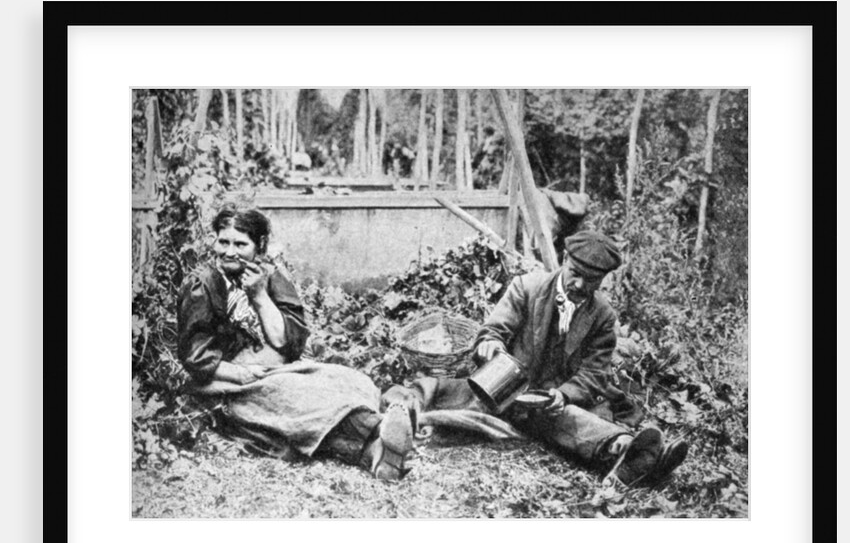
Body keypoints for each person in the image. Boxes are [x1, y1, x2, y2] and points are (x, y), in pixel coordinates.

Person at [384, 231, 689, 488]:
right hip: (504, 392)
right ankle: (634, 455)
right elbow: (492, 331)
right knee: (439, 389)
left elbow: (595, 372)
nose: (580, 285)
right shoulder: (525, 289)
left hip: (552, 401)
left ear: (603, 280)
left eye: (591, 280)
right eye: (576, 274)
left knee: (566, 417)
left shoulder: (603, 317)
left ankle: (625, 451)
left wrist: (563, 393)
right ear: (564, 261)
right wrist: (491, 347)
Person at [177, 204, 414, 480]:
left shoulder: (269, 276)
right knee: (298, 401)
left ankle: (377, 454)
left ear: (259, 246)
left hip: (276, 368)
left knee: (343, 378)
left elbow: (288, 344)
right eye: (223, 241)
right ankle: (378, 429)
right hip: (227, 382)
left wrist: (260, 296)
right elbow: (195, 357)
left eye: (240, 244)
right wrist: (244, 374)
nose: (230, 251)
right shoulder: (202, 284)